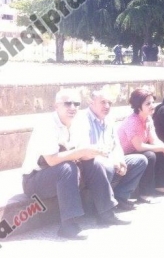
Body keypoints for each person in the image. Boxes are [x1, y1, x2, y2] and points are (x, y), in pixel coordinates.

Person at [21, 89, 129, 240]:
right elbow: (51, 160)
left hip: (61, 172)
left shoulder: (79, 122)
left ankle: (106, 213)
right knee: (67, 169)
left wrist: (97, 152)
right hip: (34, 180)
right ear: (56, 106)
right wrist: (82, 152)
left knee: (95, 163)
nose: (72, 107)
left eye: (76, 104)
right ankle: (68, 226)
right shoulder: (46, 124)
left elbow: (83, 153)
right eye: (67, 103)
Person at [72, 89, 148, 211]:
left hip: (109, 159)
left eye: (109, 103)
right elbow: (86, 150)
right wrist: (113, 161)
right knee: (105, 165)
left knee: (140, 161)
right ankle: (101, 207)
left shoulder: (108, 119)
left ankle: (120, 198)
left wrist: (120, 160)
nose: (107, 106)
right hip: (90, 163)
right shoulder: (82, 119)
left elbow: (116, 145)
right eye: (103, 102)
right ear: (91, 102)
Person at [117, 88, 164, 201]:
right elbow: (139, 146)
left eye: (152, 102)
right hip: (124, 155)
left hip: (136, 150)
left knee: (161, 150)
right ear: (138, 106)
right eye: (148, 104)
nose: (152, 106)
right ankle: (144, 194)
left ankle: (161, 186)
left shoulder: (148, 118)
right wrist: (162, 148)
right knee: (150, 155)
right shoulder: (132, 121)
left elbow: (154, 140)